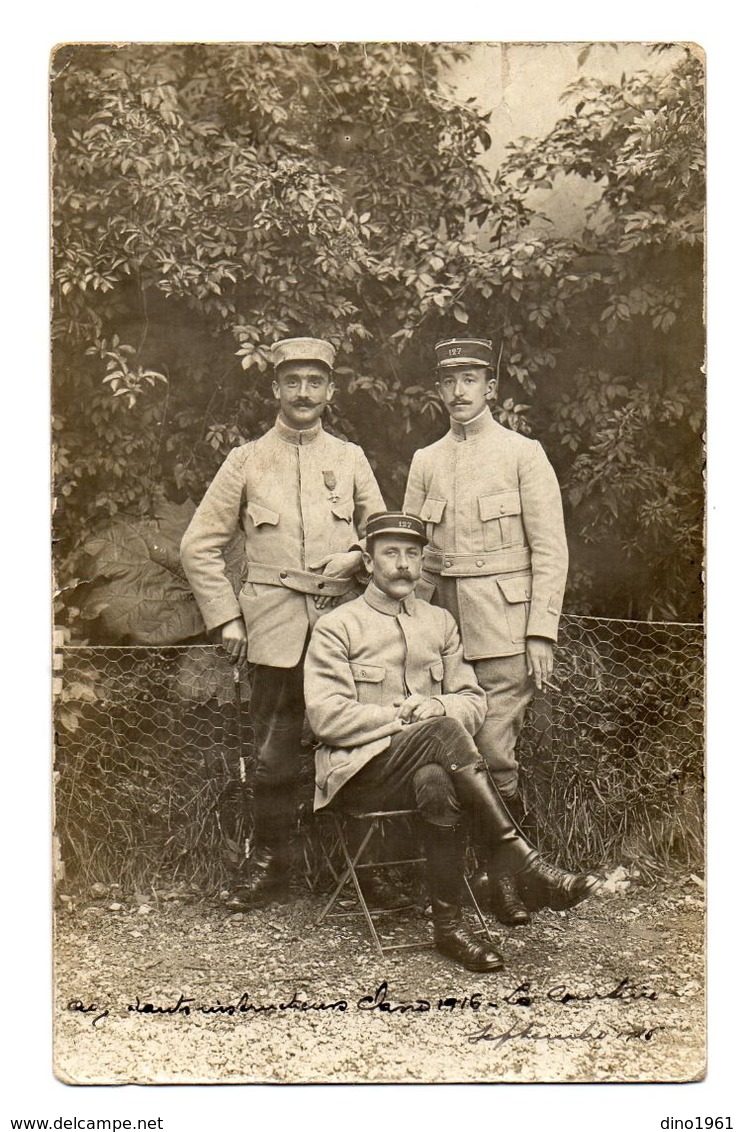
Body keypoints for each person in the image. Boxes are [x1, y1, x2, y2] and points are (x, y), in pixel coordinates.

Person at [304, 511, 597, 973]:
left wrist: (439, 707)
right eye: (390, 553)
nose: (402, 564)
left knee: (437, 779)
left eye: (412, 554)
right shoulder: (338, 627)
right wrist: (405, 717)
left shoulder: (440, 623)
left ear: (422, 562)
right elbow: (326, 717)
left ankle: (450, 928)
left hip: (419, 770)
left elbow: (472, 701)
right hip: (358, 773)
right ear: (367, 560)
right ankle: (518, 857)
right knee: (437, 734)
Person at [181, 336, 385, 908]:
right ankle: (270, 862)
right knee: (273, 753)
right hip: (271, 629)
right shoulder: (245, 460)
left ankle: (363, 865)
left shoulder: (350, 459)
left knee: (360, 738)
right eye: (292, 381)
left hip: (344, 627)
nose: (303, 392)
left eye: (314, 382)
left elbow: (385, 534)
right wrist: (226, 619)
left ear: (330, 391)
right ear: (274, 389)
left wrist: (356, 556)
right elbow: (199, 545)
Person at [403, 337, 569, 926]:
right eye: (448, 381)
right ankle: (486, 875)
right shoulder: (426, 460)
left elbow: (550, 550)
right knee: (454, 752)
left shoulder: (524, 454)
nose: (459, 391)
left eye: (471, 379)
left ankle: (506, 882)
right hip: (444, 632)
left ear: (491, 387)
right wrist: (411, 632)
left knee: (496, 753)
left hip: (505, 626)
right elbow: (412, 558)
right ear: (438, 390)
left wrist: (541, 632)